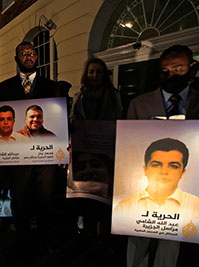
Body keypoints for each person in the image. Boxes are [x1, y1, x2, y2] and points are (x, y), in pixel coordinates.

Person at [126, 44, 199, 267]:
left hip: (189, 187)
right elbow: (127, 147)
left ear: (191, 68)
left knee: (172, 243)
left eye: (178, 68)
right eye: (165, 70)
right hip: (145, 185)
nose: (171, 75)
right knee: (138, 236)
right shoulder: (139, 103)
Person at [0, 41, 62, 255]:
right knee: (20, 203)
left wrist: (63, 148)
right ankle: (23, 242)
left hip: (45, 162)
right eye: (23, 53)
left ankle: (46, 241)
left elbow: (61, 123)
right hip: (17, 161)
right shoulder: (4, 88)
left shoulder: (52, 86)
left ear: (37, 57)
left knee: (46, 201)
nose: (28, 56)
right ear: (16, 59)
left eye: (32, 53)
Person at [68, 57, 122, 236]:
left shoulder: (114, 96)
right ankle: (87, 233)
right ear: (86, 74)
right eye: (91, 71)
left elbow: (120, 122)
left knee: (105, 195)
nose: (95, 75)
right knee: (86, 193)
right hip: (83, 152)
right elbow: (71, 121)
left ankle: (104, 235)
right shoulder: (79, 96)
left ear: (104, 74)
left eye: (99, 71)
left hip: (106, 151)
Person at [114, 138, 199, 223]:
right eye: (156, 165)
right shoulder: (124, 207)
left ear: (182, 172)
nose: (164, 171)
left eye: (173, 166)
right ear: (145, 170)